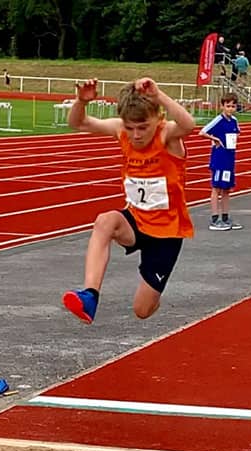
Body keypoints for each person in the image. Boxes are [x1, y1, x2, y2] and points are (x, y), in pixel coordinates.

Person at [62, 77, 195, 324]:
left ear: (158, 117)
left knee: (142, 311)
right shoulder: (121, 130)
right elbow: (78, 122)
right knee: (105, 221)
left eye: (143, 127)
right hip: (135, 220)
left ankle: (155, 295)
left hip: (166, 234)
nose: (135, 135)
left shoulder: (167, 135)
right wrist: (81, 101)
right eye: (130, 127)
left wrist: (159, 95)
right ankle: (90, 295)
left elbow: (189, 124)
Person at [199, 92, 243, 231]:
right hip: (219, 158)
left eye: (233, 106)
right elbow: (202, 132)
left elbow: (236, 134)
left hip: (230, 158)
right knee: (216, 188)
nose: (230, 109)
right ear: (222, 106)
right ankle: (214, 218)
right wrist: (215, 139)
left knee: (226, 189)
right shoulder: (218, 120)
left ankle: (225, 217)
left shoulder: (234, 121)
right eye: (228, 106)